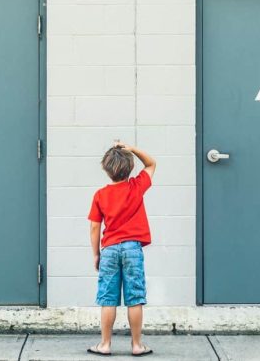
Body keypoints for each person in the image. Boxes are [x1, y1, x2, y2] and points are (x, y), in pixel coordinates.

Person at [87, 140, 156, 357]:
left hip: (109, 249)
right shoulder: (136, 187)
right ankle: (137, 345)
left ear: (106, 170)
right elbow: (152, 164)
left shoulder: (100, 195)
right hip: (133, 249)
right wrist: (132, 149)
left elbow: (94, 227)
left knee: (108, 298)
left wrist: (97, 253)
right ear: (130, 168)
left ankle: (105, 344)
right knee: (134, 297)